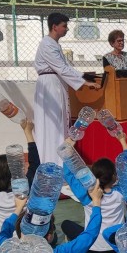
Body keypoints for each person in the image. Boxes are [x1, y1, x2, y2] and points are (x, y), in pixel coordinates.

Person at [33, 12, 96, 165]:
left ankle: (59, 160)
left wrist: (83, 76)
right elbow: (61, 68)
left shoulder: (54, 45)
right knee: (51, 123)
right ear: (54, 27)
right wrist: (83, 82)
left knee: (59, 123)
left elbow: (65, 67)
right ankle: (51, 162)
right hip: (49, 86)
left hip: (55, 83)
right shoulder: (47, 44)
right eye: (64, 26)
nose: (67, 29)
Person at [0, 117, 39, 248]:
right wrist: (28, 132)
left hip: (3, 248)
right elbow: (35, 164)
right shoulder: (25, 188)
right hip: (26, 246)